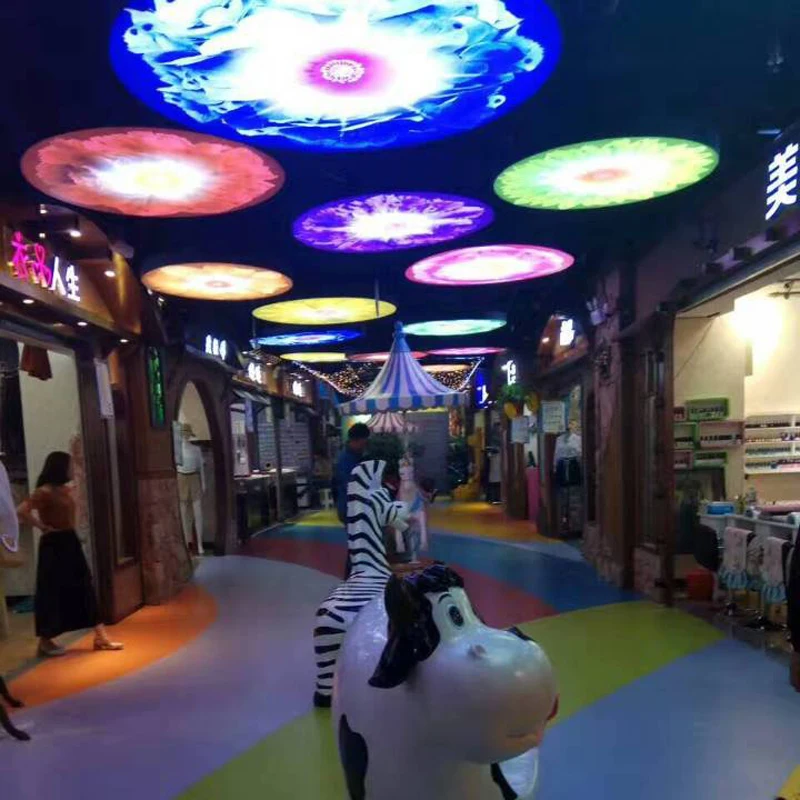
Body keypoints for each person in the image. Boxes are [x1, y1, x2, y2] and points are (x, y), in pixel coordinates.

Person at [17, 451, 122, 658]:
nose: (72, 470)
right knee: (52, 591)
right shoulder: (44, 492)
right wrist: (42, 526)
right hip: (54, 544)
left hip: (69, 540)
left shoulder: (64, 490)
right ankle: (45, 641)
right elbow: (21, 510)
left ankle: (100, 635)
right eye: (69, 466)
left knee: (84, 585)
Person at [333, 424, 370, 579]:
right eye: (364, 442)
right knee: (357, 545)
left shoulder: (354, 456)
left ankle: (353, 578)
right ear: (357, 440)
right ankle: (350, 579)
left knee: (358, 544)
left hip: (351, 507)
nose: (365, 445)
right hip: (350, 509)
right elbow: (351, 484)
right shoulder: (346, 460)